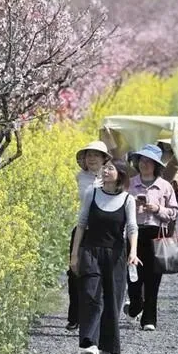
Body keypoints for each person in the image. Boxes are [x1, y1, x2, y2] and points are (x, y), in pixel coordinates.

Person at [70, 159, 140, 354]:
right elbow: (81, 224)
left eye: (111, 168)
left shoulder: (128, 199)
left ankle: (106, 351)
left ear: (121, 175)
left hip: (116, 255)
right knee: (91, 295)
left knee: (112, 301)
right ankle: (90, 343)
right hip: (91, 250)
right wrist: (74, 255)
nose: (106, 171)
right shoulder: (92, 193)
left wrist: (133, 252)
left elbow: (132, 227)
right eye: (105, 167)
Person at [125, 144, 178, 331]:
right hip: (134, 233)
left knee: (153, 279)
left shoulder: (165, 186)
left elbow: (174, 212)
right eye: (141, 160)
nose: (144, 164)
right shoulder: (129, 184)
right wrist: (132, 207)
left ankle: (149, 319)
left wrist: (157, 209)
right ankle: (135, 304)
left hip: (156, 234)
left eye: (149, 161)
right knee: (133, 276)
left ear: (156, 165)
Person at [66, 141, 112, 331]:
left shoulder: (111, 177)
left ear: (104, 159)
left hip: (104, 231)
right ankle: (74, 316)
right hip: (83, 228)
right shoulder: (80, 177)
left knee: (101, 274)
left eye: (96, 155)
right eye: (89, 155)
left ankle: (97, 316)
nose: (92, 158)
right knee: (74, 271)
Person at [157, 138, 178, 235]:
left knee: (171, 216)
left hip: (172, 189)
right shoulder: (155, 153)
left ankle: (169, 236)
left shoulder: (177, 155)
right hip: (157, 190)